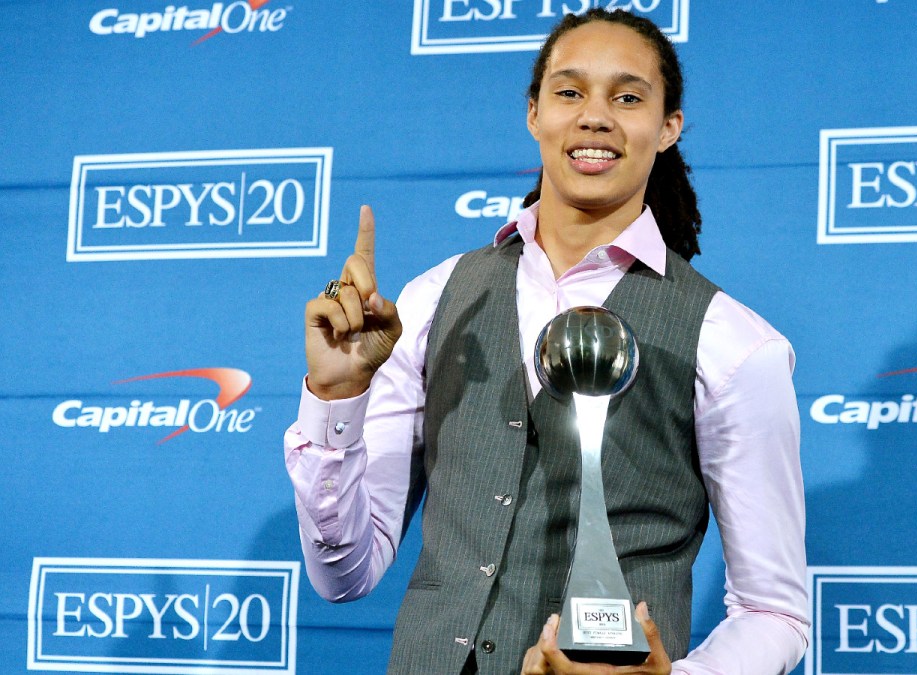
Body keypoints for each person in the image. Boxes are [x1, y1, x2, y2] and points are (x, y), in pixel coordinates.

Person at [285, 9, 809, 674]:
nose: (595, 116)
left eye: (627, 96)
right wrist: (337, 395)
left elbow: (776, 611)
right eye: (569, 92)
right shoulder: (431, 300)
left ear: (669, 126)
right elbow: (343, 574)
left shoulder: (734, 343)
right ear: (534, 113)